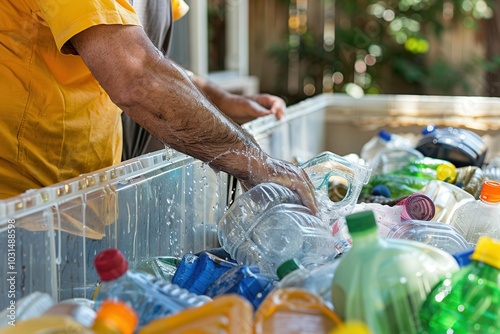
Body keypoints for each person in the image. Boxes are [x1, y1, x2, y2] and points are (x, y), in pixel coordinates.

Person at [0, 0, 317, 213]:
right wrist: (255, 161)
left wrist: (221, 100)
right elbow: (136, 76)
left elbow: (146, 58)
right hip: (21, 207)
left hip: (85, 189)